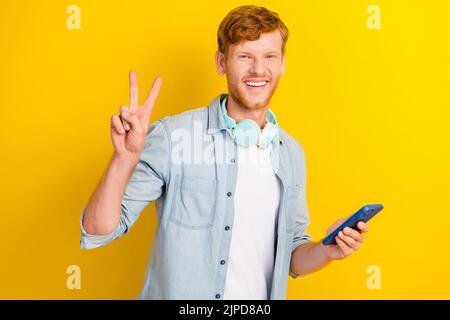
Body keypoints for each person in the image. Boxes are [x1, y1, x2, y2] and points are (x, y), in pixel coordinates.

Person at [80, 5, 369, 300]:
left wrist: (326, 249)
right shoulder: (173, 137)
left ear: (282, 63)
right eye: (245, 56)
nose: (258, 69)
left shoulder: (291, 152)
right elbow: (98, 229)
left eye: (269, 56)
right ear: (221, 62)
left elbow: (292, 257)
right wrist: (124, 159)